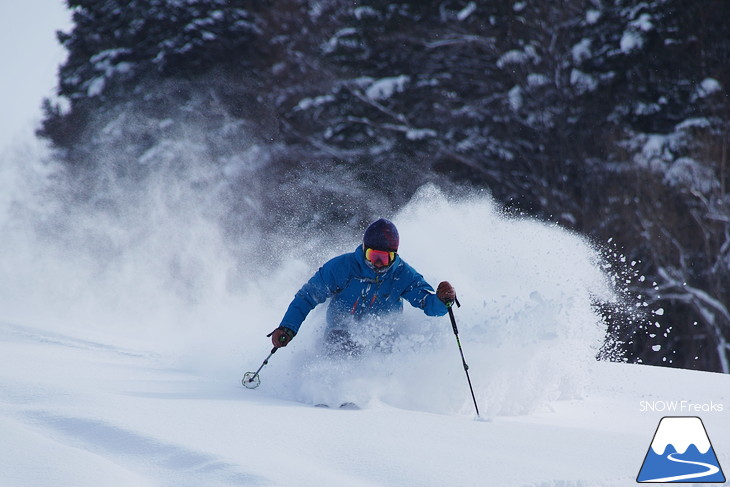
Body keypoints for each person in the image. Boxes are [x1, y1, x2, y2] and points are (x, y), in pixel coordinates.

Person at [268, 218, 456, 356]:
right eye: (374, 256)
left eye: (385, 258)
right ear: (364, 248)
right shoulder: (342, 267)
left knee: (385, 354)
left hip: (384, 340)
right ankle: (330, 396)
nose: (379, 264)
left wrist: (442, 300)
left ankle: (376, 402)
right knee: (340, 345)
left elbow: (428, 304)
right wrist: (287, 328)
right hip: (340, 335)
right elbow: (307, 296)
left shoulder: (402, 274)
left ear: (395, 256)